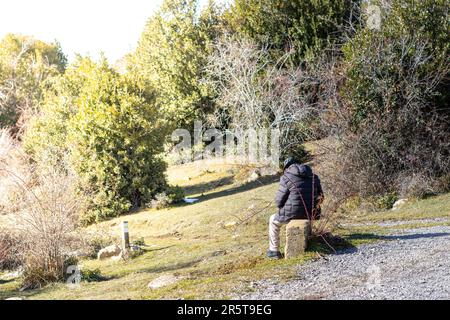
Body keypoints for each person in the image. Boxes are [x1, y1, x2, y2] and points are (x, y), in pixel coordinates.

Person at [267, 157, 324, 259]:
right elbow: (321, 197)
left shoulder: (286, 177)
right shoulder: (314, 177)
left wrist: (281, 208)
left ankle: (274, 251)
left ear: (287, 168)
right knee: (306, 219)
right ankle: (309, 241)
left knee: (272, 220)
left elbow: (279, 201)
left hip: (292, 213)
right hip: (311, 213)